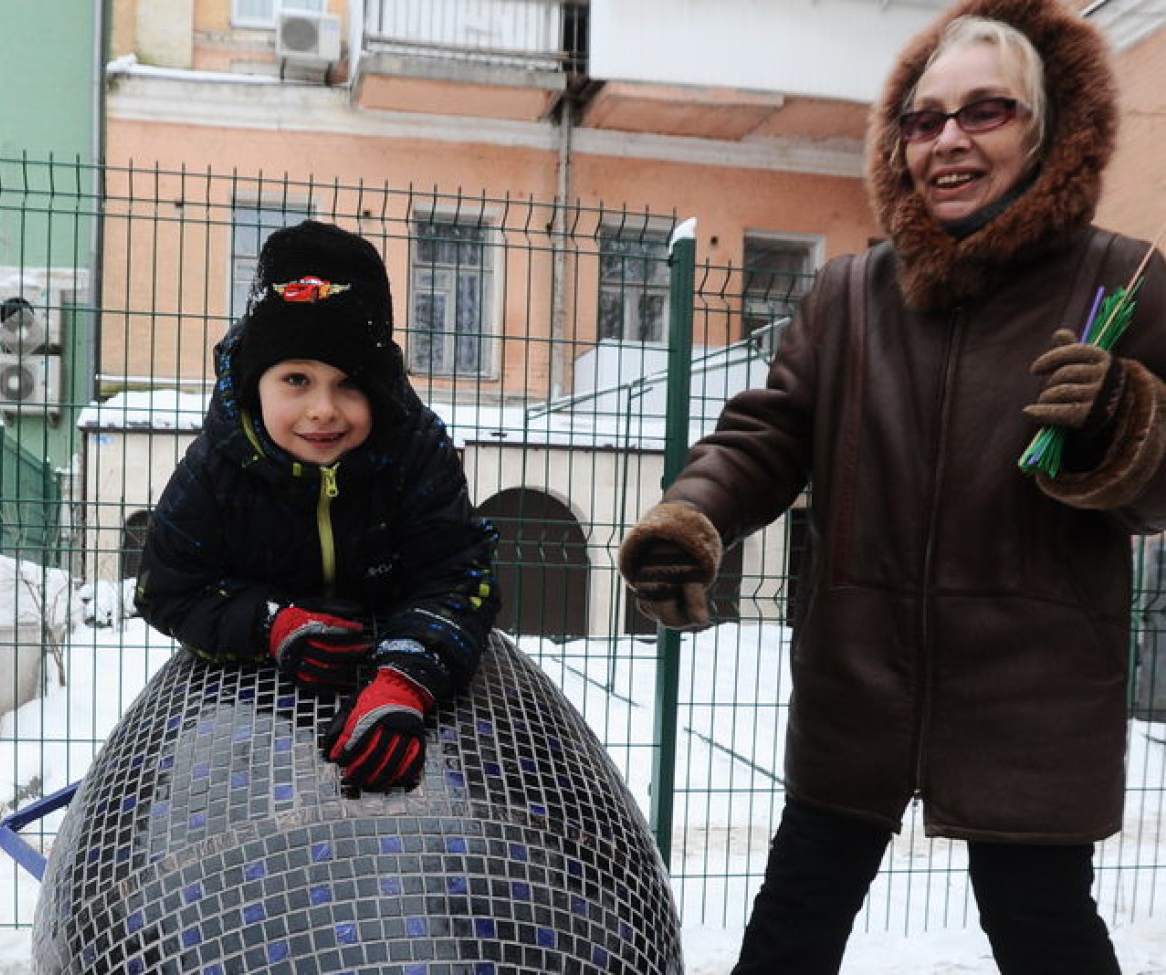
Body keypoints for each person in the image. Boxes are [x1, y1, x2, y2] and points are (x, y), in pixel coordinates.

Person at [617, 1, 1166, 972]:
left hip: (1031, 691)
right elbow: (768, 432)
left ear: (1047, 129)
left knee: (1042, 931)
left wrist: (1118, 425)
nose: (946, 141)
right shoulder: (847, 295)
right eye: (923, 119)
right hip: (856, 682)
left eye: (984, 112)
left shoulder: (1120, 284)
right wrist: (691, 513)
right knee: (791, 928)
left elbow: (1156, 498)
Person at [136, 219, 500, 794]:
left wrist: (407, 675)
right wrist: (268, 624)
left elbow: (457, 574)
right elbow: (167, 588)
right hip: (249, 719)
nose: (323, 410)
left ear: (379, 386)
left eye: (350, 383)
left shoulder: (415, 452)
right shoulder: (217, 467)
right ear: (257, 383)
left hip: (402, 690)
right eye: (297, 379)